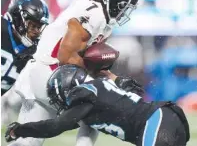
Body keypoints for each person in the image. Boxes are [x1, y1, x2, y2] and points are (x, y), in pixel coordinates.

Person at [7, 0, 140, 146]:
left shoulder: (101, 18)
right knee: (97, 103)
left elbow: (86, 63)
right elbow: (66, 57)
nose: (124, 11)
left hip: (42, 73)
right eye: (124, 5)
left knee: (28, 142)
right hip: (49, 71)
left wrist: (115, 80)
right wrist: (103, 84)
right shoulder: (94, 14)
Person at [5, 64, 190, 146]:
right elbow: (125, 88)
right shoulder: (98, 87)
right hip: (168, 119)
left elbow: (54, 127)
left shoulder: (85, 95)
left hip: (155, 122)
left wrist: (20, 129)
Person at [1, 0, 49, 125]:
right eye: (33, 25)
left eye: (39, 27)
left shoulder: (32, 50)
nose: (37, 31)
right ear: (18, 18)